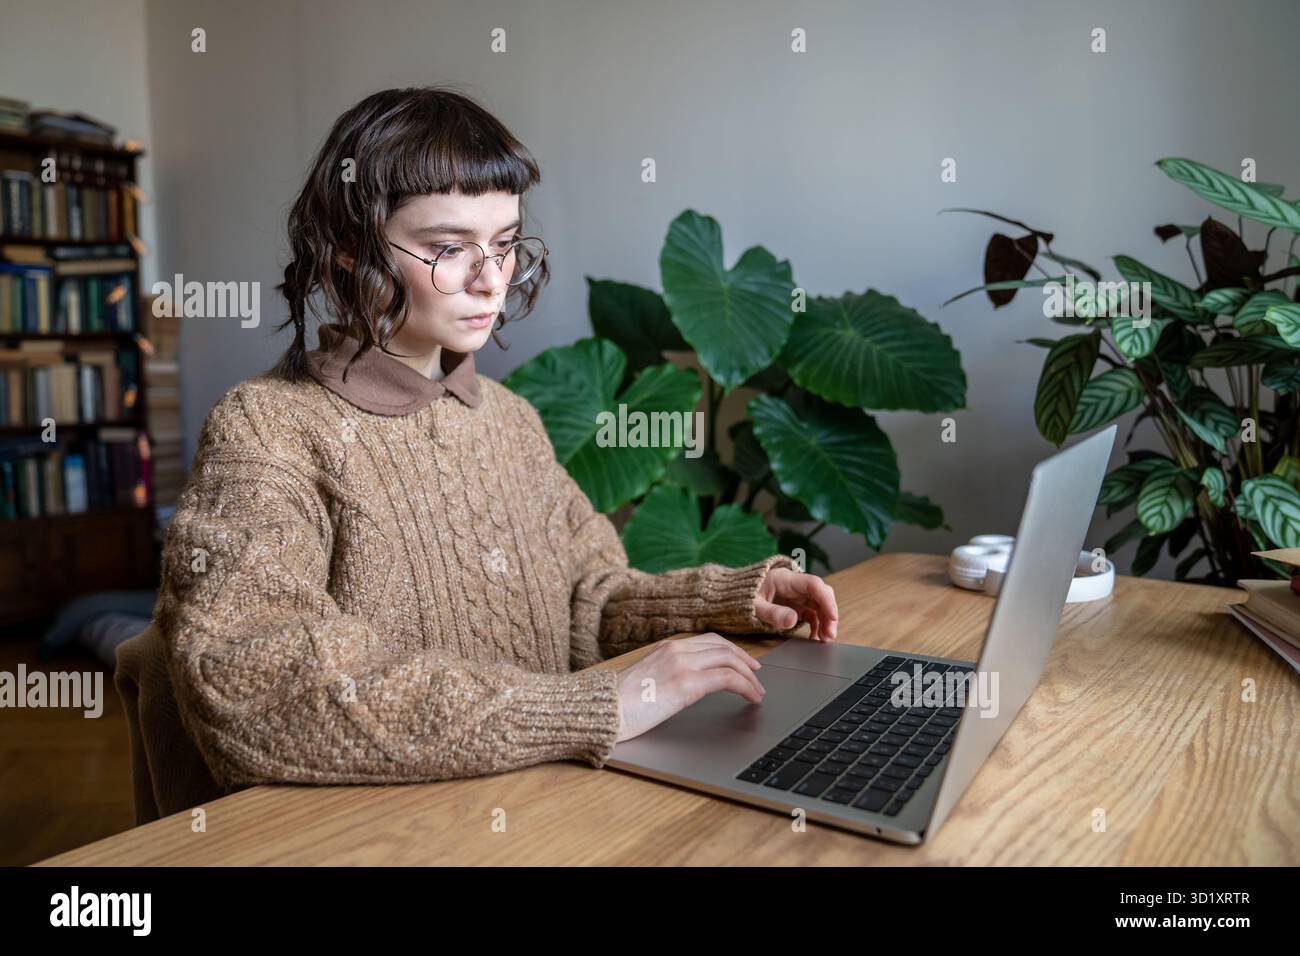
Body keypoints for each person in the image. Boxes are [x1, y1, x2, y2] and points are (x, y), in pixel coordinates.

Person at [146, 85, 839, 804]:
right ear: (349, 249)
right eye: (448, 248)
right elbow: (248, 683)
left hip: (542, 805)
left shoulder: (509, 418)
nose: (491, 281)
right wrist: (590, 709)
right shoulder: (265, 429)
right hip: (392, 834)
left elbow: (589, 605)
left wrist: (728, 599)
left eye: (505, 245)